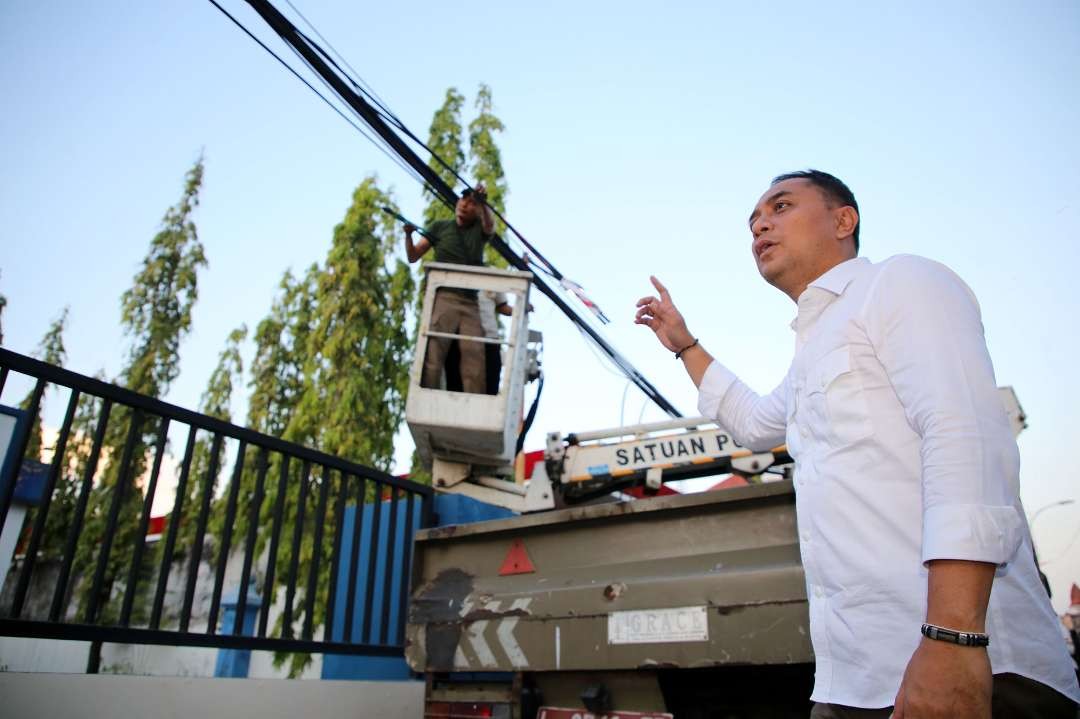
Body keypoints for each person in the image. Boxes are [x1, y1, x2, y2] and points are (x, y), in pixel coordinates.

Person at [635, 170, 1080, 718]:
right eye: (752, 222)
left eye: (780, 206)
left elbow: (963, 437)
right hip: (855, 682)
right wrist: (684, 344)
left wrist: (953, 639)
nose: (760, 226)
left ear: (844, 220)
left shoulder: (902, 283)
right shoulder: (811, 351)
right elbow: (753, 424)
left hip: (973, 668)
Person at [405, 185, 495, 394]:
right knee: (434, 350)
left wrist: (483, 203)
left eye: (472, 203)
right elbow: (413, 256)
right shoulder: (439, 227)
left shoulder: (479, 231)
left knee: (473, 354)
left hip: (470, 302)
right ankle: (426, 394)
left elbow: (490, 226)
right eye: (463, 200)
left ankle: (473, 402)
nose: (465, 205)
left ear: (478, 210)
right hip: (444, 296)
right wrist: (408, 236)